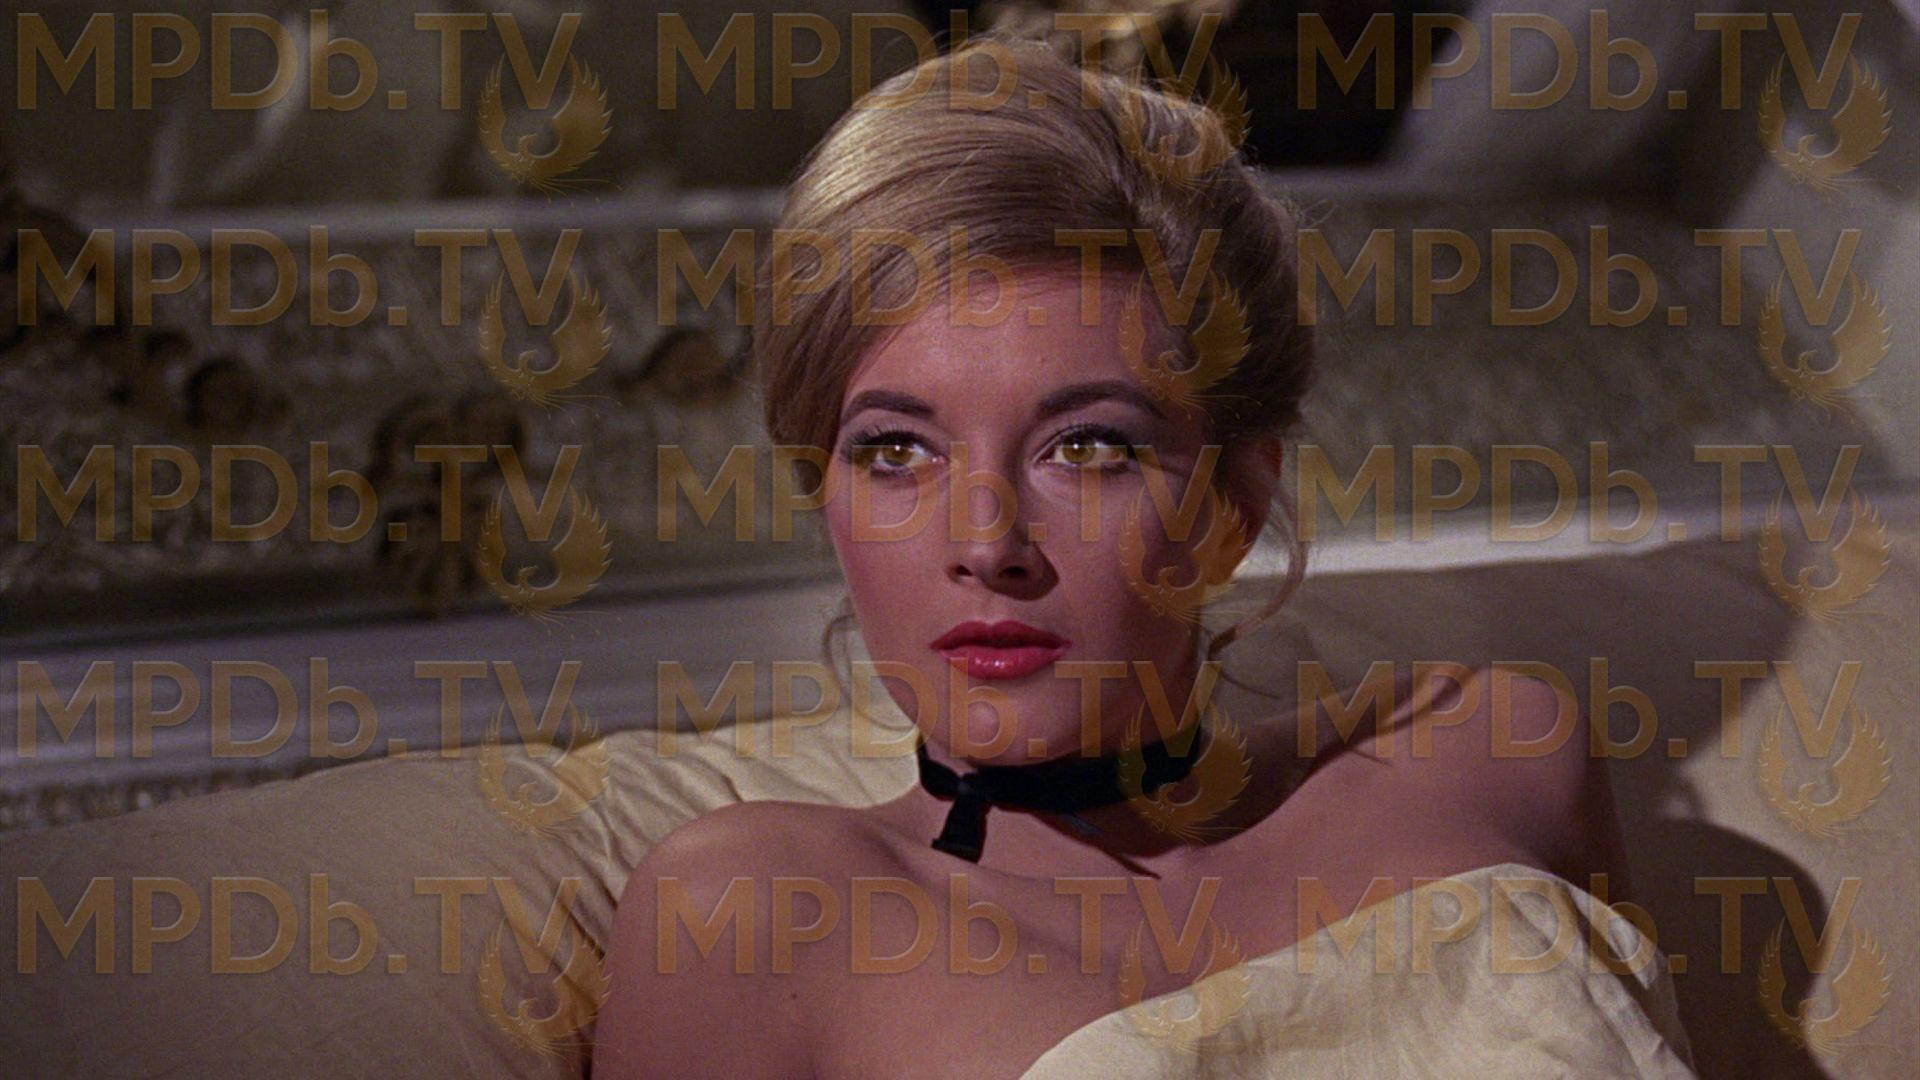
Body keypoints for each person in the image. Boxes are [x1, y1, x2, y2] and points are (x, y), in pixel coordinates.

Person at [596, 34, 1687, 1079]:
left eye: (1086, 447)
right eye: (896, 451)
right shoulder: (756, 915)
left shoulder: (1495, 756)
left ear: (1235, 500)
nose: (987, 545)